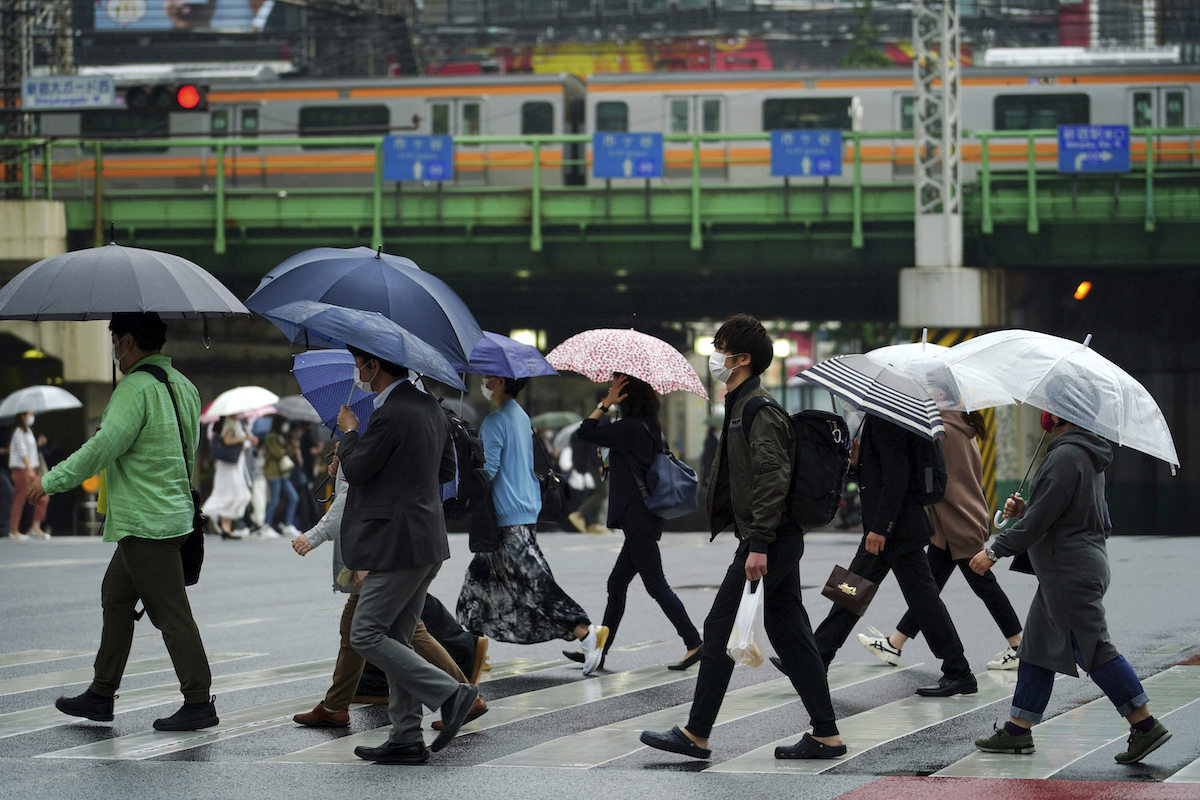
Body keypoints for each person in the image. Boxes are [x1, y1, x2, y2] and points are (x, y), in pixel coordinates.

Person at [641, 314, 844, 761]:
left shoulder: (758, 408)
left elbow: (773, 476)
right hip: (771, 538)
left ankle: (696, 733)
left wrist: (757, 543)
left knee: (718, 628)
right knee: (789, 631)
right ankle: (826, 734)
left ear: (743, 358)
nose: (714, 354)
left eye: (720, 346)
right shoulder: (740, 404)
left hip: (769, 539)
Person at [36, 312, 217, 731]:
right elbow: (183, 448)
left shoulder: (133, 388)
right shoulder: (184, 386)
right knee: (115, 596)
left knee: (170, 613)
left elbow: (103, 447)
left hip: (146, 521)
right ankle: (101, 694)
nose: (114, 348)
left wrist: (51, 481)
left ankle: (198, 700)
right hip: (172, 515)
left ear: (128, 341)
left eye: (114, 339)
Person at [968, 400, 1171, 764]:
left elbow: (1040, 524)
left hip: (1068, 572)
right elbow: (1079, 515)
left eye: (1046, 408)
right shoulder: (1086, 454)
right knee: (1037, 647)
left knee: (1094, 650)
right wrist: (1028, 508)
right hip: (1074, 567)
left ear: (1059, 415)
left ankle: (1145, 725)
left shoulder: (1065, 457)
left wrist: (994, 551)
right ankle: (1017, 731)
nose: (1042, 414)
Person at [336, 346, 477, 764]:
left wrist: (348, 434)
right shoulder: (430, 407)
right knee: (397, 637)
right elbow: (445, 471)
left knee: (365, 634)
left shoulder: (389, 412)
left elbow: (358, 469)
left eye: (358, 363)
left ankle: (451, 694)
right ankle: (405, 737)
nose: (357, 370)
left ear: (374, 365)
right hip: (427, 537)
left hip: (397, 542)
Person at [290, 448, 488, 730]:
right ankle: (336, 705)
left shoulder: (363, 439)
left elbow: (351, 504)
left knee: (402, 632)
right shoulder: (377, 437)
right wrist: (341, 469)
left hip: (374, 550)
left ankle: (461, 695)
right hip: (393, 544)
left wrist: (314, 536)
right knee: (357, 630)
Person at [812, 411, 977, 699]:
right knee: (849, 589)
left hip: (895, 531)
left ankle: (959, 671)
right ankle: (815, 658)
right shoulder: (880, 417)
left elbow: (897, 476)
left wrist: (881, 528)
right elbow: (879, 472)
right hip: (886, 530)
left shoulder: (890, 419)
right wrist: (855, 464)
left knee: (924, 602)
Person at [457, 375, 608, 675]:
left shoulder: (496, 420)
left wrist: (466, 455)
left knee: (534, 585)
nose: (485, 382)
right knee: (477, 586)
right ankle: (473, 650)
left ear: (500, 382)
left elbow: (489, 470)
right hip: (520, 510)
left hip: (507, 516)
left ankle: (587, 632)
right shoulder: (520, 416)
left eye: (488, 378)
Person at [856, 409, 1024, 671]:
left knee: (981, 585)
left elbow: (924, 475)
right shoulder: (964, 424)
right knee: (926, 592)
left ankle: (1016, 646)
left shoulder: (941, 430)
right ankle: (896, 642)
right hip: (954, 520)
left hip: (955, 519)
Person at [572, 373, 703, 671]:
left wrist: (605, 403)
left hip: (637, 518)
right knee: (616, 584)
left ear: (626, 398)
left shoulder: (629, 428)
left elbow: (585, 430)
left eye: (617, 390)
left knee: (656, 585)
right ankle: (599, 649)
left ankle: (694, 642)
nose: (610, 393)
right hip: (645, 515)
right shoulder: (649, 427)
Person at [202, 414, 256, 539]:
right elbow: (227, 440)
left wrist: (246, 440)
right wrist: (244, 438)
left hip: (235, 463)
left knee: (233, 494)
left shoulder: (237, 422)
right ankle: (205, 514)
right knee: (232, 493)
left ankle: (226, 527)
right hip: (228, 465)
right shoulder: (230, 422)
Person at [9, 410, 49, 539]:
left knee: (43, 495)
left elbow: (30, 449)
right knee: (19, 499)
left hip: (30, 469)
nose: (32, 417)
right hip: (22, 470)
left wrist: (39, 444)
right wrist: (29, 469)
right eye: (30, 414)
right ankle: (14, 530)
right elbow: (22, 452)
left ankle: (35, 527)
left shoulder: (28, 431)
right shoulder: (18, 432)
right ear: (22, 416)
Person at [262, 415, 301, 538]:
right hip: (273, 472)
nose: (286, 426)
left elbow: (286, 453)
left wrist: (293, 447)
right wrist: (286, 449)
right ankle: (266, 525)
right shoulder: (271, 437)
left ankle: (288, 524)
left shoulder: (282, 437)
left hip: (283, 473)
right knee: (274, 500)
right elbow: (277, 453)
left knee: (293, 497)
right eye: (285, 423)